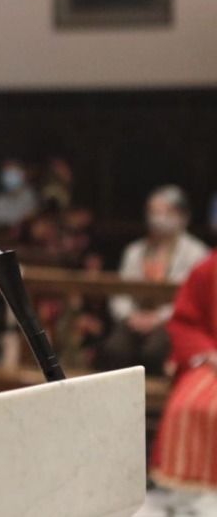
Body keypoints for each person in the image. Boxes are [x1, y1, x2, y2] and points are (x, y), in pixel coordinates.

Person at [97, 185, 209, 376]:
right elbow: (120, 293)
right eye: (153, 211)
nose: (158, 218)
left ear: (182, 216)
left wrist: (158, 318)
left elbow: (193, 301)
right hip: (135, 318)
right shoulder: (135, 251)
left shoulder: (197, 254)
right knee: (114, 349)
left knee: (154, 352)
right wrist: (129, 316)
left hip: (170, 319)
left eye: (166, 212)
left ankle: (154, 404)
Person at [151, 251, 217, 493]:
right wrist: (209, 355)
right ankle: (188, 489)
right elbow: (185, 322)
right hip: (212, 359)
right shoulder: (208, 269)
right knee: (189, 406)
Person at [0, 158, 38, 229]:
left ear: (23, 175)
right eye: (6, 174)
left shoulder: (32, 198)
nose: (10, 178)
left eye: (13, 174)